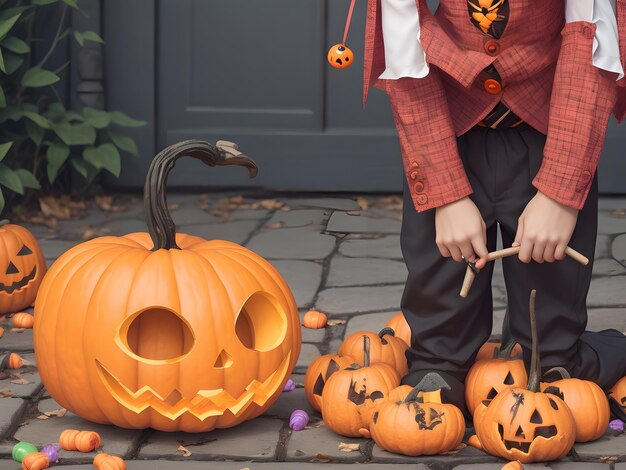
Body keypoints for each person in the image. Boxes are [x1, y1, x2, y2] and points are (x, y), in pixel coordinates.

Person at [363, 0, 626, 415]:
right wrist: (445, 193)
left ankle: (563, 354)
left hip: (549, 135)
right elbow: (404, 47)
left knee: (551, 350)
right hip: (448, 137)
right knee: (438, 317)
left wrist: (559, 192)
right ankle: (440, 363)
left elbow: (589, 41)